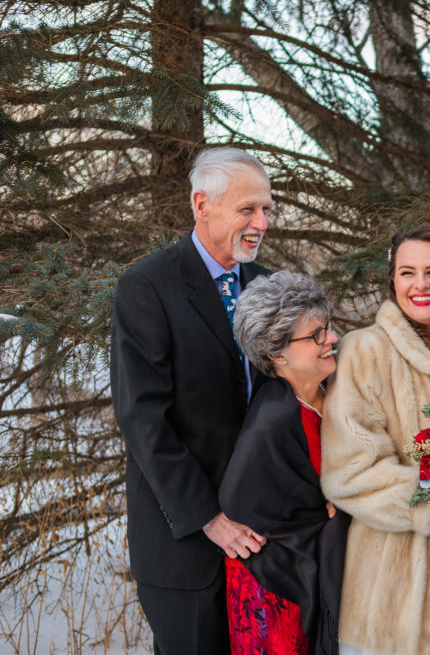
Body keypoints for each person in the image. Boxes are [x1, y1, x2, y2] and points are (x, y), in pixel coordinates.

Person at [110, 147, 273, 654]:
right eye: (248, 209)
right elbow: (143, 420)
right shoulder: (147, 287)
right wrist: (209, 517)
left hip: (263, 538)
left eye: (266, 209)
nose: (261, 222)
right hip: (185, 543)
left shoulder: (265, 286)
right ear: (202, 205)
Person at [320, 224, 430, 655]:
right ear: (392, 279)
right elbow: (349, 472)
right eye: (406, 272)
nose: (420, 285)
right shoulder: (366, 350)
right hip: (395, 578)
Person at [219, 271, 351, 655]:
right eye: (315, 336)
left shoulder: (335, 387)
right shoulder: (273, 423)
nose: (331, 339)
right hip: (276, 593)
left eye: (327, 328)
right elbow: (250, 509)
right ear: (277, 354)